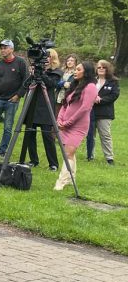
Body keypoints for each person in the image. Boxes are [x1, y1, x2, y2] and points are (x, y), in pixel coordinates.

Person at [55, 62, 98, 190]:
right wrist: (60, 119)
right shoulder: (74, 84)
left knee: (69, 152)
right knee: (68, 153)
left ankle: (61, 182)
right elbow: (65, 103)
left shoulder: (91, 87)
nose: (75, 71)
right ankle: (70, 177)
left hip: (78, 125)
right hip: (65, 123)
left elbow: (85, 108)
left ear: (86, 72)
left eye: (78, 69)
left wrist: (68, 122)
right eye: (75, 69)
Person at [19, 49, 63, 170]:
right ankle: (33, 160)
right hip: (32, 103)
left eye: (49, 56)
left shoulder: (56, 72)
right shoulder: (35, 69)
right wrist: (32, 74)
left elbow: (51, 83)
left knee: (47, 135)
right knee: (30, 133)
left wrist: (42, 73)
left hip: (45, 106)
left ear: (53, 58)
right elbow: (26, 84)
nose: (46, 58)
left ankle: (53, 164)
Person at [87, 59, 120, 165]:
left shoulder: (113, 81)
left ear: (108, 68)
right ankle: (90, 155)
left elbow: (114, 95)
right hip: (90, 111)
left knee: (105, 135)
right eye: (99, 67)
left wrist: (100, 100)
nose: (101, 69)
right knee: (91, 134)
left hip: (105, 112)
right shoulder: (91, 80)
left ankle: (109, 157)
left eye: (103, 67)